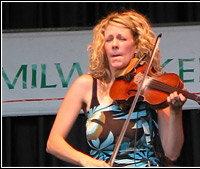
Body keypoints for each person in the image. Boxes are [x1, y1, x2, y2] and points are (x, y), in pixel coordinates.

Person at [46, 9, 187, 167]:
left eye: (122, 39)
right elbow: (53, 143)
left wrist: (176, 112)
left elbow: (172, 153)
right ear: (103, 47)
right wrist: (86, 160)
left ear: (136, 47)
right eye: (109, 40)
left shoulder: (151, 90)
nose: (114, 45)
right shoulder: (86, 85)